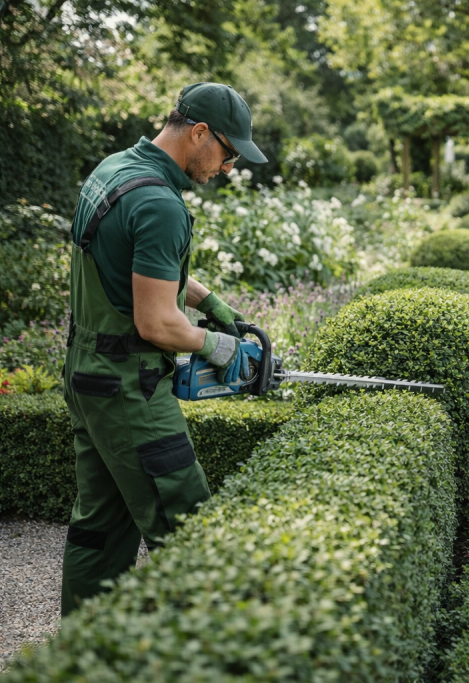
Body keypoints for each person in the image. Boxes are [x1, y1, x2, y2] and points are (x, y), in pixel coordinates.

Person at [60, 82, 267, 615]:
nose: (228, 168)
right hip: (130, 390)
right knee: (188, 529)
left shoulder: (114, 170)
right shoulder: (160, 203)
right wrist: (221, 347)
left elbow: (136, 268)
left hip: (87, 375)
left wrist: (210, 302)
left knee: (100, 528)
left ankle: (85, 648)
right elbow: (155, 322)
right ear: (199, 133)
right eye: (228, 153)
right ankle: (217, 649)